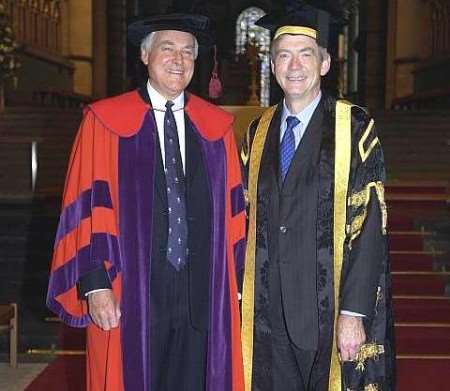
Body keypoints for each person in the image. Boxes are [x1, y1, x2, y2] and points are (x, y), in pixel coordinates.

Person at [46, 13, 246, 391]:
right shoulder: (104, 122)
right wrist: (94, 284)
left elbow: (234, 217)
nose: (179, 59)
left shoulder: (216, 128)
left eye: (188, 52)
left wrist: (234, 285)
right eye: (167, 48)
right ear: (145, 56)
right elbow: (84, 209)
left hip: (201, 295)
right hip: (129, 292)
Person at [239, 3, 395, 391]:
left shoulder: (354, 128)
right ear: (273, 66)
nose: (294, 65)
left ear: (324, 63)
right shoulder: (255, 134)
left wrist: (353, 313)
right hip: (267, 315)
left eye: (305, 54)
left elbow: (370, 226)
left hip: (327, 310)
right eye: (283, 55)